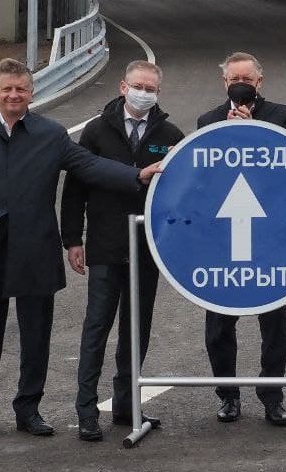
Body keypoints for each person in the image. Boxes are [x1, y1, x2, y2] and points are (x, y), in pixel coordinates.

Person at [0, 58, 161, 442]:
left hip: (35, 249)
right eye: (7, 89)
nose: (14, 95)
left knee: (36, 336)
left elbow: (90, 166)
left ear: (32, 93)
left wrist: (135, 175)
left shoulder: (51, 135)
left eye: (21, 89)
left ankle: (29, 409)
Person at [60, 60, 185, 441]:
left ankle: (126, 405)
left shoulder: (170, 133)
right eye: (138, 86)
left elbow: (181, 194)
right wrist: (72, 240)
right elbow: (75, 187)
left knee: (137, 330)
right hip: (105, 246)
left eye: (151, 88)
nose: (143, 93)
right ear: (122, 86)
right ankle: (86, 410)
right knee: (96, 327)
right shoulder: (96, 131)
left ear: (158, 93)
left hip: (148, 251)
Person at [197, 52, 286, 427]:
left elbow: (285, 168)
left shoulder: (282, 116)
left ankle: (272, 396)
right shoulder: (208, 121)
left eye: (247, 79)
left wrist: (254, 130)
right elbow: (205, 177)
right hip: (225, 238)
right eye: (233, 79)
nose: (241, 85)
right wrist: (226, 131)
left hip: (268, 236)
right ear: (224, 84)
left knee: (274, 323)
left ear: (260, 81)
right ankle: (228, 395)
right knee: (219, 325)